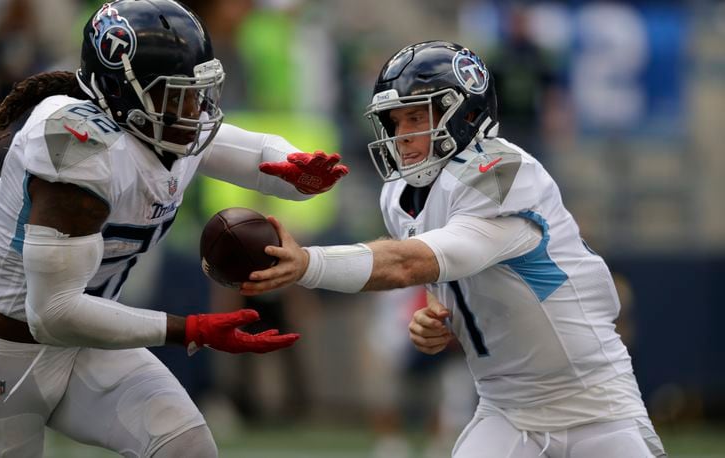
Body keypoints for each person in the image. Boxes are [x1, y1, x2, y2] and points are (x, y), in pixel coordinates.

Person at [0, 1, 348, 457]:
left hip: (84, 346)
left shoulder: (166, 126)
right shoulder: (76, 145)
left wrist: (303, 173)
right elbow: (53, 310)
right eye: (178, 94)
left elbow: (260, 156)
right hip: (0, 349)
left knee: (187, 448)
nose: (195, 108)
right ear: (121, 92)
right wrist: (192, 329)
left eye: (198, 91)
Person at [241, 41, 666, 457]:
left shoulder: (503, 173)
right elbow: (438, 272)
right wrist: (434, 314)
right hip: (507, 410)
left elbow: (413, 263)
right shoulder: (401, 193)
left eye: (415, 118)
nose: (402, 136)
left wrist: (309, 264)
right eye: (394, 122)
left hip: (592, 404)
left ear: (465, 114)